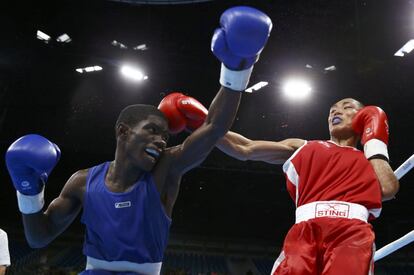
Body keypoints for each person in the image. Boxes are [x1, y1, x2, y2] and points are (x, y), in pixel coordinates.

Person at [5, 6, 273, 275]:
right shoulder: (83, 181)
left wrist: (236, 68)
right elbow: (39, 237)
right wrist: (29, 192)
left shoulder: (166, 168)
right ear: (123, 132)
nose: (161, 141)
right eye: (153, 130)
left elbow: (214, 127)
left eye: (165, 136)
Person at [215, 98, 399, 274]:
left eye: (347, 107)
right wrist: (205, 125)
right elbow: (245, 148)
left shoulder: (370, 161)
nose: (337, 111)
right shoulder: (305, 147)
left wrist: (375, 143)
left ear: (362, 116)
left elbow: (389, 189)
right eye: (332, 110)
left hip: (351, 234)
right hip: (305, 232)